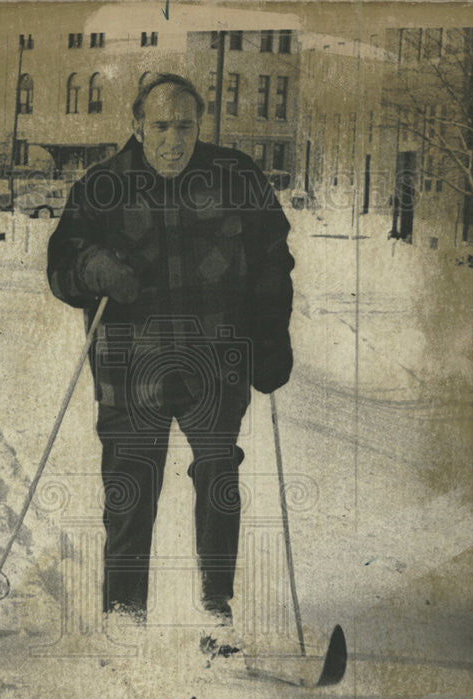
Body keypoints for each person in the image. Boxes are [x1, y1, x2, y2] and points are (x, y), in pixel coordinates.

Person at [47, 73, 294, 655]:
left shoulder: (237, 177)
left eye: (185, 125)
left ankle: (217, 608)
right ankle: (125, 613)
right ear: (137, 125)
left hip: (217, 360)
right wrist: (94, 270)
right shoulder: (102, 186)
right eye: (160, 125)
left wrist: (272, 337)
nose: (173, 139)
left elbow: (272, 262)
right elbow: (60, 265)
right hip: (130, 366)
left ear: (198, 126)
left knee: (218, 476)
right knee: (130, 482)